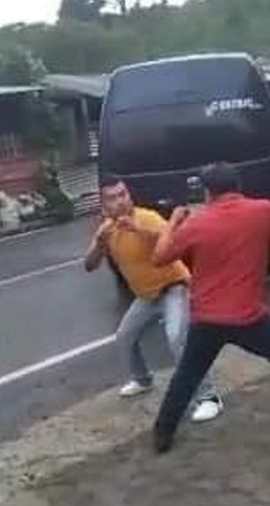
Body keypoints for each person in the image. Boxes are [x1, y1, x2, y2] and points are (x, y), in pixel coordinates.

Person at [150, 162, 270, 454]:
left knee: (187, 374)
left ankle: (162, 433)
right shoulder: (263, 210)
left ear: (207, 192)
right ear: (238, 185)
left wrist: (174, 221)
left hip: (206, 320)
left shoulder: (196, 223)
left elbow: (160, 257)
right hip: (250, 318)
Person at [84, 175, 223, 422]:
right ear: (104, 205)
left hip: (174, 287)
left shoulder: (145, 217)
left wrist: (137, 229)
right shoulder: (106, 230)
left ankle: (208, 396)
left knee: (177, 337)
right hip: (146, 296)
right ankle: (142, 379)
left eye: (123, 194)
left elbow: (172, 237)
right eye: (113, 198)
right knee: (125, 337)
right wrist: (98, 243)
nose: (120, 201)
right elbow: (89, 265)